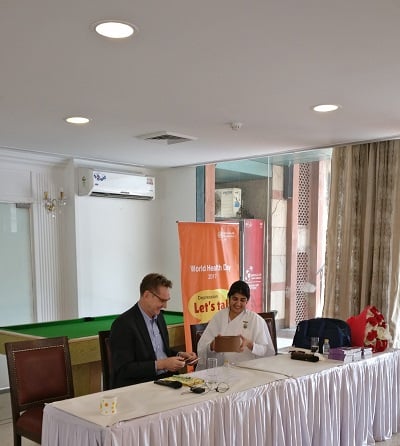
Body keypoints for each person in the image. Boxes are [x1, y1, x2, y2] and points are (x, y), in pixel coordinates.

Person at [110, 273, 197, 387]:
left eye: (167, 300)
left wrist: (180, 355)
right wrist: (161, 364)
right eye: (162, 300)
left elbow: (160, 352)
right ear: (146, 295)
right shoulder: (123, 324)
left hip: (167, 380)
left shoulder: (159, 317)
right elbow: (124, 369)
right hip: (141, 385)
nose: (165, 306)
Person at [197, 280, 275, 367]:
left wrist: (250, 344)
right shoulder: (219, 316)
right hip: (221, 368)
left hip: (246, 369)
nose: (238, 304)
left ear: (247, 301)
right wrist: (212, 345)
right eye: (235, 299)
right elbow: (202, 347)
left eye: (242, 300)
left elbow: (264, 350)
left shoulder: (255, 320)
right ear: (229, 298)